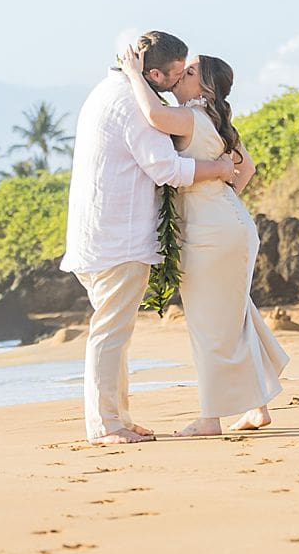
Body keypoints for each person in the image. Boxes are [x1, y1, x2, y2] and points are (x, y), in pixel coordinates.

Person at [61, 31, 239, 445]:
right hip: (117, 238)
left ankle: (116, 417)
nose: (178, 83)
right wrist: (217, 170)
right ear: (153, 73)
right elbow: (166, 169)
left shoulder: (107, 92)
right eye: (175, 75)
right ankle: (106, 424)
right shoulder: (135, 104)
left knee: (115, 332)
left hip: (97, 235)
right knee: (110, 332)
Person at [120, 43, 288, 437]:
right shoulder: (216, 118)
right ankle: (256, 407)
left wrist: (131, 74)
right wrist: (220, 196)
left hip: (211, 232)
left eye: (190, 72)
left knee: (209, 323)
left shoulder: (192, 116)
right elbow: (246, 170)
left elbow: (153, 114)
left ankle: (210, 418)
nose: (180, 75)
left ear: (204, 89)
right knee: (233, 316)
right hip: (231, 224)